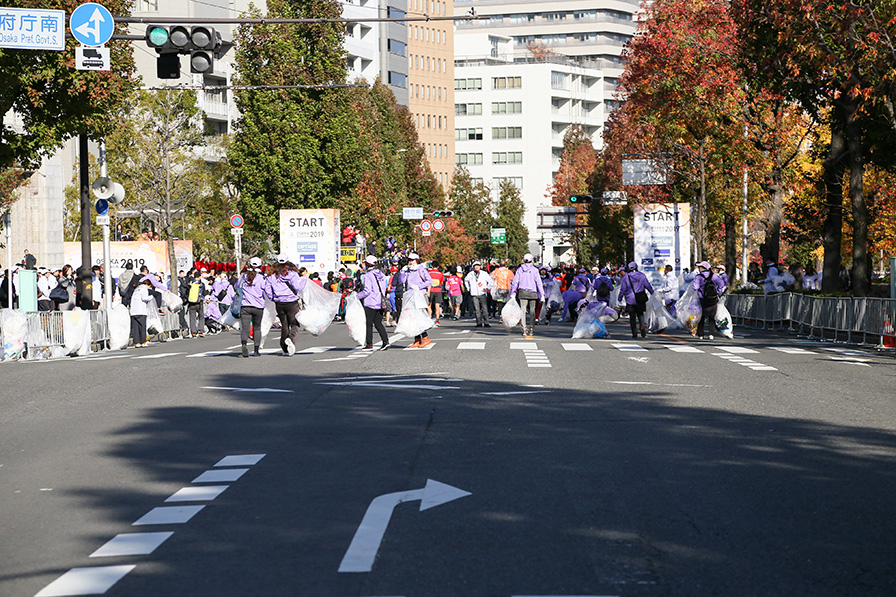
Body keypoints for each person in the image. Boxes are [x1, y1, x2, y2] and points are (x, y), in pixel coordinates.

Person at [264, 254, 307, 355]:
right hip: (291, 302)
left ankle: (284, 348)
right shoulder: (292, 274)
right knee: (295, 324)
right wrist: (304, 279)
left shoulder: (272, 276)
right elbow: (297, 287)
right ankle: (291, 340)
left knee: (284, 325)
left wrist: (273, 298)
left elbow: (267, 290)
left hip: (279, 302)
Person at [356, 255, 391, 350]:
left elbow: (367, 291)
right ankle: (385, 341)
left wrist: (356, 296)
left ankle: (369, 344)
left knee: (368, 324)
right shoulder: (381, 274)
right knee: (378, 323)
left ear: (368, 264)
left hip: (370, 302)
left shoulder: (368, 275)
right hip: (380, 302)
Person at [510, 254, 544, 339]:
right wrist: (542, 294)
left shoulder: (520, 269)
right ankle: (532, 328)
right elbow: (538, 283)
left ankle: (524, 329)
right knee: (532, 310)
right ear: (532, 260)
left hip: (522, 291)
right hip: (533, 292)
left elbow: (515, 282)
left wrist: (513, 292)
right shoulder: (535, 270)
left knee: (523, 310)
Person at [238, 257, 266, 357]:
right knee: (257, 328)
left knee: (245, 328)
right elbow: (266, 290)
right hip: (258, 306)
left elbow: (237, 286)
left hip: (245, 305)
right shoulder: (262, 278)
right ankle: (256, 350)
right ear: (260, 266)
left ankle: (244, 344)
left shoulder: (243, 276)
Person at [618, 261, 654, 338]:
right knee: (640, 314)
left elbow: (623, 289)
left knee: (632, 316)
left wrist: (620, 298)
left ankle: (634, 332)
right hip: (640, 298)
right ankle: (642, 327)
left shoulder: (626, 277)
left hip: (630, 299)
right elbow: (647, 285)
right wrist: (653, 293)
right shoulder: (642, 276)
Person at [403, 253, 432, 348]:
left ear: (417, 260)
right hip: (410, 296)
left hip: (419, 295)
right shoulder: (408, 270)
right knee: (412, 317)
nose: (410, 262)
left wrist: (418, 287)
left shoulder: (421, 269)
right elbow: (402, 281)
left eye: (412, 260)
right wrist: (402, 273)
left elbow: (429, 281)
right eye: (409, 260)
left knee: (419, 317)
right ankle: (417, 339)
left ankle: (425, 338)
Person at [692, 260, 726, 340]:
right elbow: (721, 284)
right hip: (713, 299)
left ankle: (701, 334)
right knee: (712, 317)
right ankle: (711, 334)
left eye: (700, 267)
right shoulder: (714, 276)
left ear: (703, 268)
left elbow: (695, 287)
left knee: (701, 317)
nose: (699, 268)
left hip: (702, 298)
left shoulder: (699, 276)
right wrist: (717, 292)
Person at [464, 261, 493, 327]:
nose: (477, 267)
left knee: (485, 308)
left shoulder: (484, 273)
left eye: (478, 265)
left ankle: (486, 322)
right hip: (474, 293)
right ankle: (478, 322)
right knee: (477, 309)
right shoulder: (470, 274)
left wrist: (488, 288)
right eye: (475, 266)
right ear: (473, 267)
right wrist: (469, 289)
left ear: (480, 266)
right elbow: (466, 281)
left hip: (482, 292)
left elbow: (490, 281)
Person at [129, 277, 155, 348]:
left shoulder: (136, 289)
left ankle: (137, 342)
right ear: (148, 285)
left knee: (136, 328)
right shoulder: (144, 289)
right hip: (141, 311)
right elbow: (144, 298)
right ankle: (143, 341)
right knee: (142, 327)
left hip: (133, 311)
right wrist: (151, 297)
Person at [184, 270, 207, 337]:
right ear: (199, 277)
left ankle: (193, 332)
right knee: (201, 316)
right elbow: (204, 293)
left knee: (192, 317)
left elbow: (186, 293)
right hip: (199, 302)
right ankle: (200, 330)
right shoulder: (201, 284)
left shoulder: (190, 284)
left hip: (191, 303)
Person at [427, 260, 445, 325]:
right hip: (438, 290)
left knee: (429, 304)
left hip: (430, 290)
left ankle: (429, 317)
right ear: (438, 266)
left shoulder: (428, 273)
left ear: (431, 266)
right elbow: (442, 282)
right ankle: (437, 320)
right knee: (437, 306)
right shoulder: (440, 274)